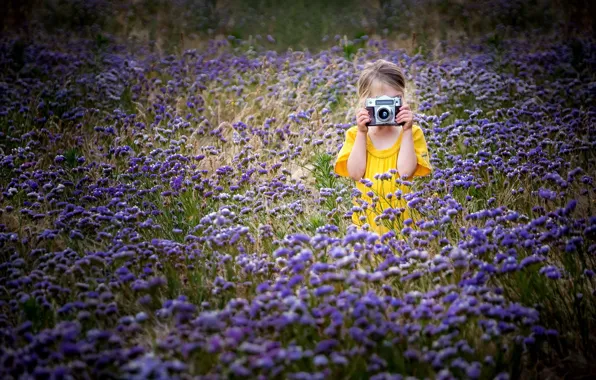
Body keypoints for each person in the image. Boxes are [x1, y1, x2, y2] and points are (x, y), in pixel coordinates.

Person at [333, 59, 433, 236]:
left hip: (404, 220)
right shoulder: (355, 135)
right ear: (365, 102)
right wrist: (362, 133)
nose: (386, 109)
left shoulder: (412, 133)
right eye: (380, 102)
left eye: (396, 99)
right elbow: (355, 173)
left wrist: (407, 130)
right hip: (367, 222)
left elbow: (405, 173)